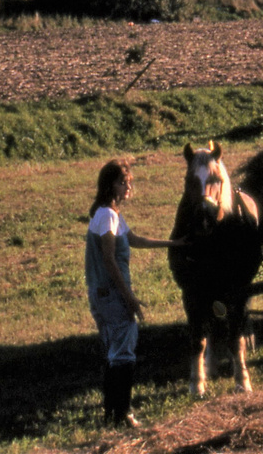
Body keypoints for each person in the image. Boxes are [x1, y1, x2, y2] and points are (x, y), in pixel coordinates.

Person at [85, 158, 180, 427]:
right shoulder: (107, 215)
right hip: (111, 295)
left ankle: (111, 414)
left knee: (113, 353)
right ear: (110, 186)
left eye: (129, 181)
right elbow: (109, 259)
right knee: (123, 353)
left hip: (103, 294)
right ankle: (123, 413)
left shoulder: (111, 215)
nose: (128, 186)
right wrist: (129, 297)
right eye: (122, 182)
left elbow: (134, 240)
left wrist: (173, 243)